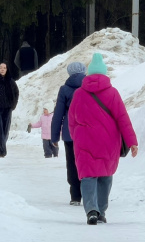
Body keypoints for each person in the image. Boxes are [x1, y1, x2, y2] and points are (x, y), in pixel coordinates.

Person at [68, 53, 139, 225]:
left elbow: (72, 120)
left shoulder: (79, 94)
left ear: (89, 74)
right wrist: (132, 142)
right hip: (108, 142)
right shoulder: (112, 93)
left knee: (88, 176)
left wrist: (75, 137)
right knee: (105, 175)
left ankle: (91, 210)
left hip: (84, 141)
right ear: (104, 74)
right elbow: (123, 119)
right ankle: (101, 210)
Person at [51, 61, 85, 206]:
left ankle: (75, 196)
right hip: (87, 132)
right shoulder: (88, 87)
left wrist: (54, 136)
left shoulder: (64, 89)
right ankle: (88, 192)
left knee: (72, 163)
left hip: (69, 133)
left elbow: (58, 114)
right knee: (86, 161)